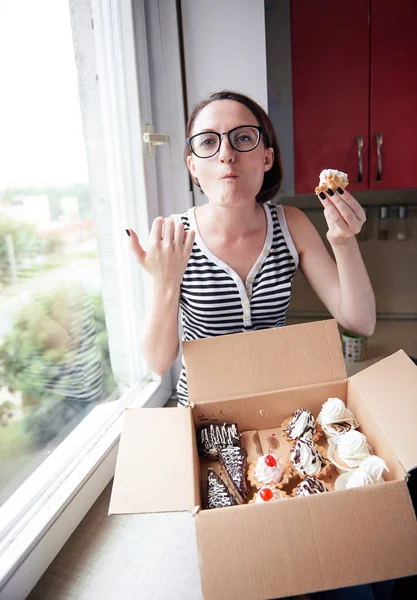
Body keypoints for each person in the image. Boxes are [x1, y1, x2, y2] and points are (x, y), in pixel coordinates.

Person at [126, 90, 388, 599]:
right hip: (203, 421)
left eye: (243, 138)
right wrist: (165, 282)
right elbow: (157, 361)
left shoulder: (289, 224)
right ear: (192, 166)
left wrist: (343, 241)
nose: (226, 154)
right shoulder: (174, 236)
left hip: (279, 415)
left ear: (266, 157)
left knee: (333, 566)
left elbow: (360, 320)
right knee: (247, 567)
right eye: (208, 142)